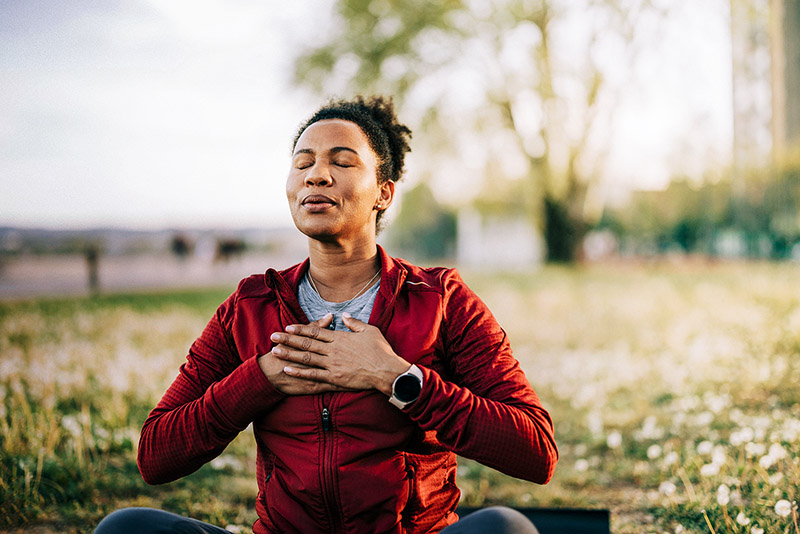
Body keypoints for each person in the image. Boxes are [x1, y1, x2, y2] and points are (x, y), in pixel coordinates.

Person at [95, 96, 558, 534]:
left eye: (341, 162)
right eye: (303, 163)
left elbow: (536, 451)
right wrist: (259, 380)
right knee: (126, 528)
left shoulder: (441, 300)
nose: (316, 175)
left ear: (383, 193)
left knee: (506, 528)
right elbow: (155, 457)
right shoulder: (251, 306)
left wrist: (397, 378)